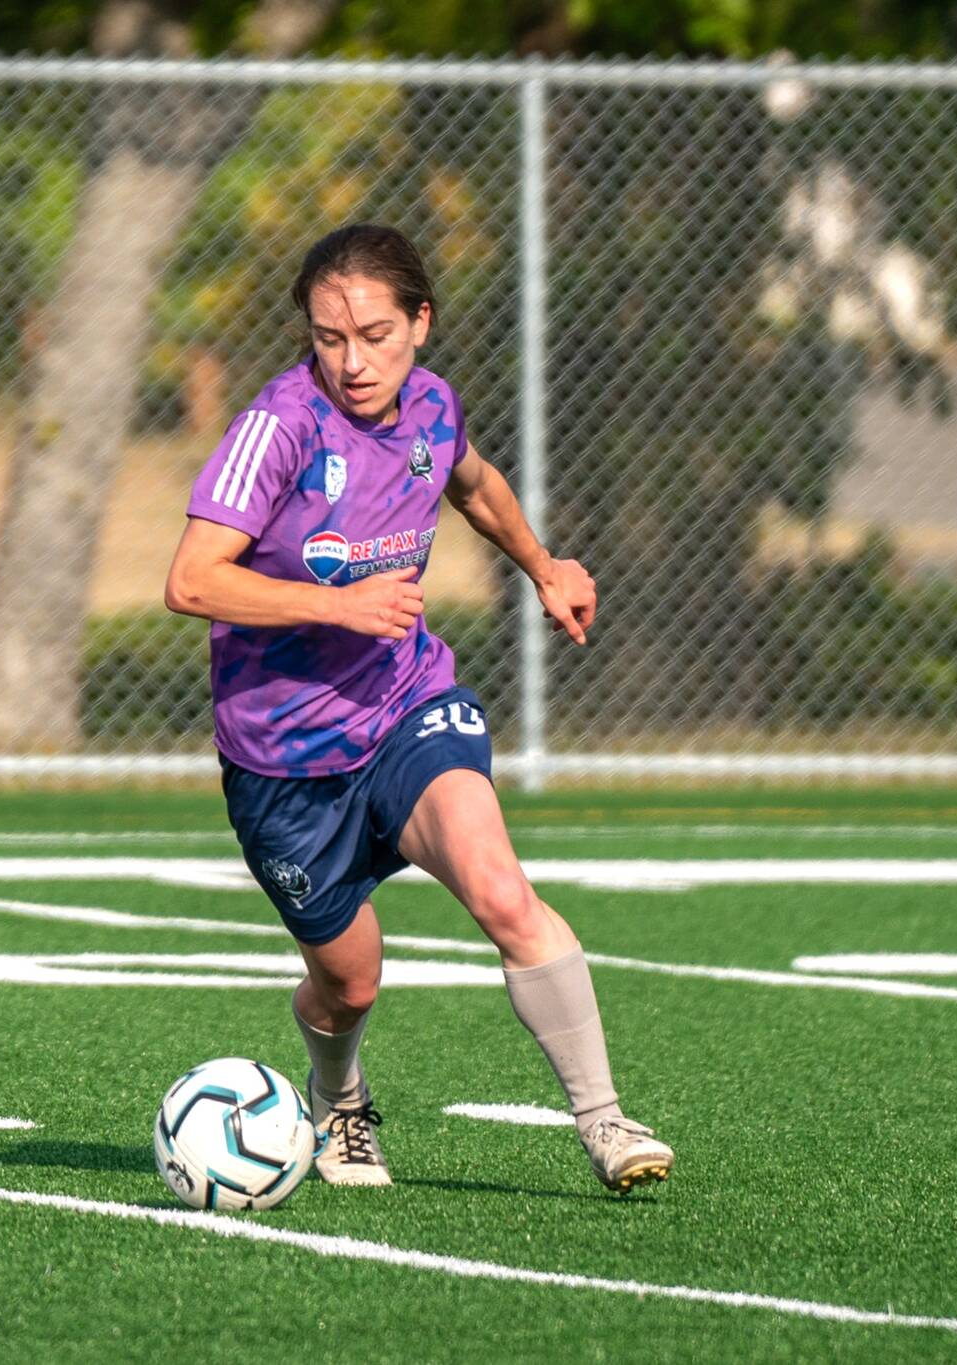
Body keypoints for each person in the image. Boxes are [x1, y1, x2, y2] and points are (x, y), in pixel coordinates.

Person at [164, 224, 673, 1194]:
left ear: (420, 324)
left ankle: (604, 1122)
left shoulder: (433, 407)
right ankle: (338, 1100)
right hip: (283, 761)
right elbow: (189, 582)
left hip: (406, 705)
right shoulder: (275, 429)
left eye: (374, 334)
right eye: (327, 338)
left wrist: (542, 567)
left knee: (499, 890)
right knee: (349, 979)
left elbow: (471, 484)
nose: (352, 361)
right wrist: (335, 604)